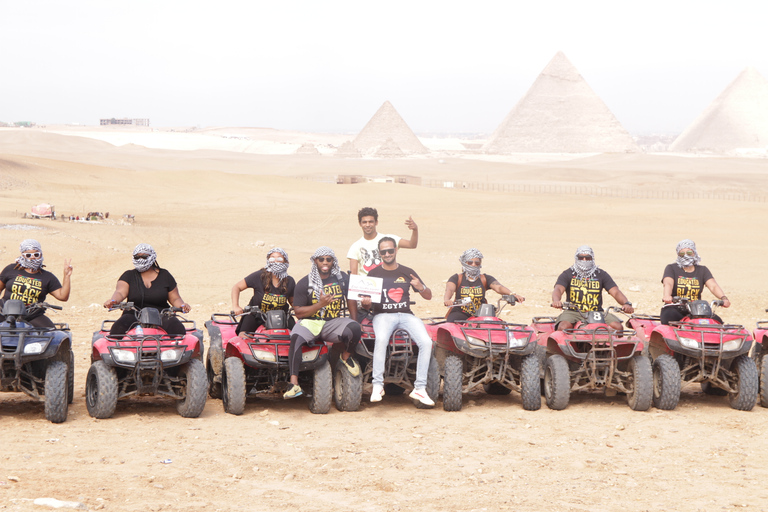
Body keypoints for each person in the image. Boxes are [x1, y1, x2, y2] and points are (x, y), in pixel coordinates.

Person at [360, 237, 434, 406]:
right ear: (379, 253)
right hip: (383, 315)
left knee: (426, 342)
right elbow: (366, 300)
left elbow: (428, 296)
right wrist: (366, 303)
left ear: (396, 251)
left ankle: (420, 388)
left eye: (390, 250)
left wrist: (420, 287)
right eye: (383, 251)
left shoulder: (407, 271)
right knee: (381, 340)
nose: (387, 254)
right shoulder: (374, 274)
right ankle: (377, 384)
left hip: (406, 315)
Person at [284, 247, 361, 399]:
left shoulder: (341, 279)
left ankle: (345, 357)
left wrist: (354, 319)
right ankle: (294, 384)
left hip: (332, 322)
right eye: (321, 259)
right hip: (310, 322)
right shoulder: (304, 282)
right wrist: (320, 304)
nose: (325, 262)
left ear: (333, 261)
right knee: (296, 337)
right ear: (315, 261)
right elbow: (298, 312)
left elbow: (351, 298)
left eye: (329, 259)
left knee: (355, 328)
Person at [103, 243, 191, 336]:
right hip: (133, 314)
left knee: (178, 330)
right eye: (137, 257)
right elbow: (120, 292)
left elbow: (175, 298)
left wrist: (182, 305)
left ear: (152, 257)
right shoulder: (128, 275)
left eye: (144, 256)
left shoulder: (165, 275)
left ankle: (172, 350)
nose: (140, 259)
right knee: (117, 330)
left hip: (161, 314)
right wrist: (113, 301)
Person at [551, 245, 634, 331]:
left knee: (618, 327)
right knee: (563, 327)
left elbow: (615, 291)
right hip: (573, 311)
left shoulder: (601, 274)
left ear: (592, 258)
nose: (584, 260)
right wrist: (556, 301)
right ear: (576, 258)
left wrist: (626, 303)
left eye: (587, 258)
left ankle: (610, 344)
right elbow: (558, 289)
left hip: (597, 313)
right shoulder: (568, 274)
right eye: (581, 258)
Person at [0, 239, 72, 327]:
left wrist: (67, 276)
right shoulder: (11, 269)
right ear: (23, 255)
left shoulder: (48, 277)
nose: (33, 257)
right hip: (5, 311)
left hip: (32, 314)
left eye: (36, 254)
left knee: (52, 333)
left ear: (41, 255)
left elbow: (63, 296)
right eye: (28, 255)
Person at [443, 248, 525, 322]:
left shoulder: (485, 278)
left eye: (477, 262)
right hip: (460, 312)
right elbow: (449, 289)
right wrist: (447, 300)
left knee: (496, 327)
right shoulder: (457, 278)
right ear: (465, 262)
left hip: (481, 313)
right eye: (470, 262)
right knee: (451, 326)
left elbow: (498, 287)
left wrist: (512, 294)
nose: (474, 265)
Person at [660, 239, 729, 325]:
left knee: (717, 322)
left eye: (689, 253)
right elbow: (668, 283)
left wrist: (723, 298)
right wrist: (667, 296)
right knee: (670, 318)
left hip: (697, 309)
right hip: (675, 307)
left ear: (694, 253)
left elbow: (713, 286)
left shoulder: (702, 270)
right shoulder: (671, 268)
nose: (685, 256)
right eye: (682, 253)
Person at [231, 248, 296, 335]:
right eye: (272, 258)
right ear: (268, 261)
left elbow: (293, 302)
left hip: (281, 317)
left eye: (279, 258)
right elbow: (237, 287)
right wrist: (236, 306)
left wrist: (302, 310)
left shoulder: (290, 281)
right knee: (244, 336)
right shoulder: (259, 276)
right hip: (257, 315)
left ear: (285, 261)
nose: (275, 261)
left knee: (297, 336)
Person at [347, 207, 419, 276]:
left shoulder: (389, 239)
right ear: (360, 224)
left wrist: (415, 230)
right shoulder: (355, 247)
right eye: (364, 222)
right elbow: (353, 275)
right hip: (368, 286)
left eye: (371, 222)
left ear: (376, 222)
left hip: (387, 281)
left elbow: (411, 245)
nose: (368, 225)